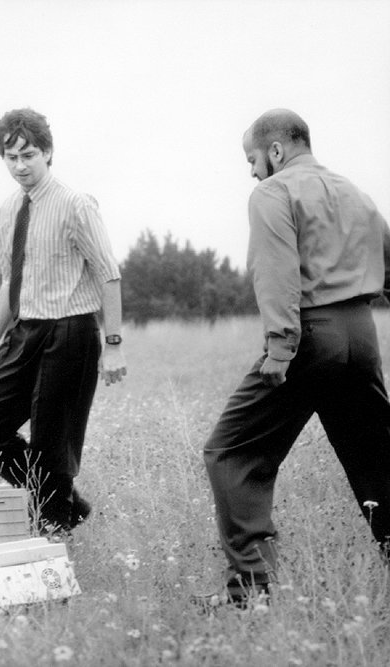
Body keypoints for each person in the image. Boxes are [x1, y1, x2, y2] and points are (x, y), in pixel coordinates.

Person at [197, 108, 390, 608]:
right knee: (375, 457)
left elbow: (276, 273)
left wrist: (280, 349)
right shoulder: (355, 192)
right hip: (362, 335)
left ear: (276, 150)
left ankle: (250, 590)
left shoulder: (272, 192)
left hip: (310, 336)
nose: (252, 171)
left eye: (252, 159)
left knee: (231, 451)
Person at [0, 108, 127, 537]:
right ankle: (64, 503)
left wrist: (113, 344)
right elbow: (9, 279)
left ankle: (52, 533)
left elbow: (108, 274)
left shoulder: (76, 205)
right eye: (11, 157)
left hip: (70, 331)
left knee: (52, 443)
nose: (20, 166)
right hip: (25, 331)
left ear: (48, 152)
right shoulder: (6, 212)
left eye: (29, 155)